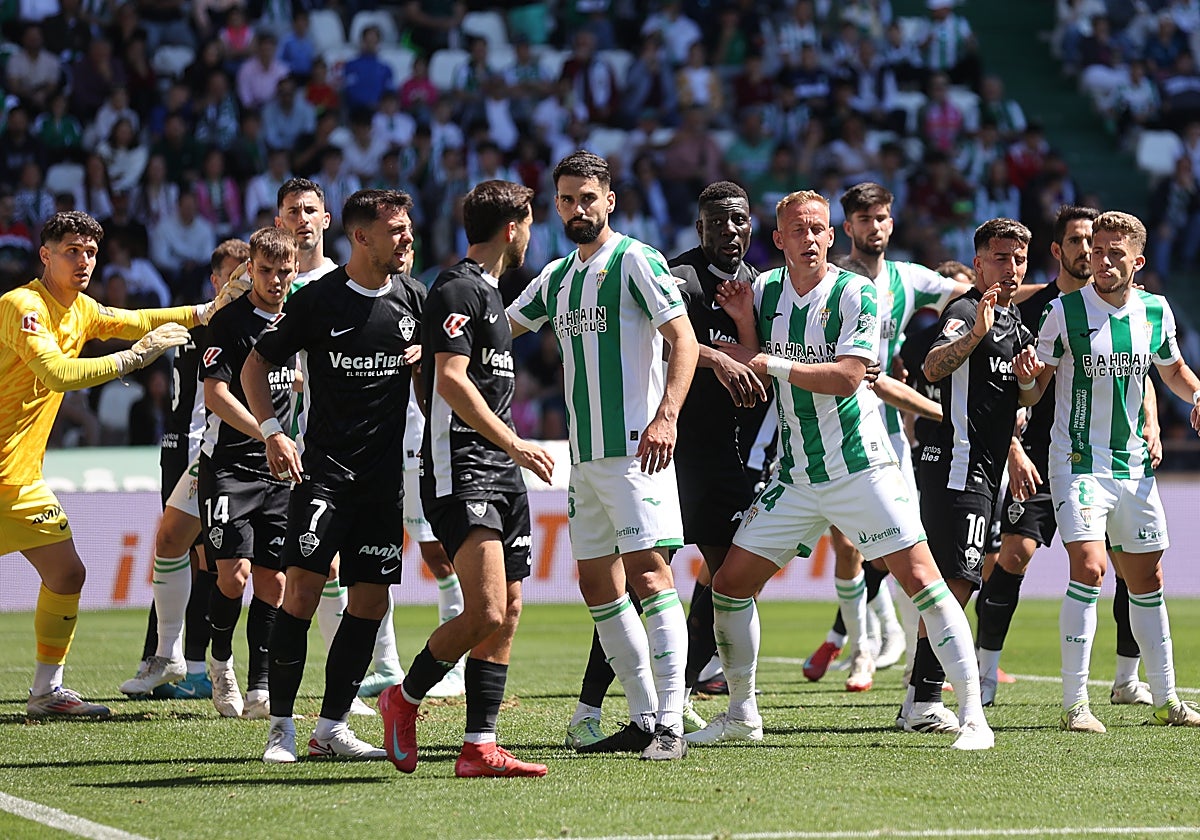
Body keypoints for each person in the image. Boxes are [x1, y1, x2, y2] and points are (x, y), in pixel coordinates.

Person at [686, 190, 993, 750]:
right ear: (778, 240)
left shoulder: (857, 291)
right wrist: (740, 324)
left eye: (817, 230)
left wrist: (771, 361)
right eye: (796, 231)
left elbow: (851, 376)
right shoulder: (763, 289)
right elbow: (756, 366)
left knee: (923, 580)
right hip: (795, 476)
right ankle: (741, 714)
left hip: (860, 468)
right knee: (729, 586)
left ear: (831, 236)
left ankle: (974, 716)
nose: (808, 238)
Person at [0, 210, 234, 717]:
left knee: (67, 574)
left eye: (90, 252)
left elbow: (136, 321)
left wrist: (207, 310)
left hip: (19, 482)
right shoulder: (22, 306)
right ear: (45, 255)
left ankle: (45, 692)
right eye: (71, 252)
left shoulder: (81, 309)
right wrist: (134, 358)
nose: (83, 261)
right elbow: (58, 373)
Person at [562, 180, 769, 749]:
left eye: (739, 220)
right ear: (699, 227)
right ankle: (594, 706)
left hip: (731, 458)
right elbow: (668, 338)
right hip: (669, 453)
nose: (730, 230)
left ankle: (724, 704)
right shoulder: (675, 275)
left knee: (730, 581)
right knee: (638, 581)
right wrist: (716, 358)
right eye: (718, 221)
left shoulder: (758, 285)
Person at [509, 151, 700, 761]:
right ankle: (644, 717)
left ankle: (671, 721)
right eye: (566, 200)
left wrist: (666, 415)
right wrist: (427, 337)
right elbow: (501, 325)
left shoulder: (637, 260)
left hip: (635, 449)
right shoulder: (559, 276)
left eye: (587, 198)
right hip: (583, 458)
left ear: (609, 200)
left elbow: (684, 341)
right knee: (596, 583)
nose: (577, 209)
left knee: (649, 575)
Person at [379, 180, 552, 778]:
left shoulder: (493, 299)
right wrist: (511, 441)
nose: (531, 233)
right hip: (467, 469)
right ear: (513, 227)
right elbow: (449, 378)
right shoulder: (456, 286)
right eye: (529, 222)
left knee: (507, 608)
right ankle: (402, 698)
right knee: (481, 611)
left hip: (501, 471)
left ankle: (480, 745)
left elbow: (430, 379)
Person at [246, 190, 423, 763]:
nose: (406, 237)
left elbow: (431, 392)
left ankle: (332, 727)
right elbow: (256, 363)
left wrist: (423, 372)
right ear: (360, 236)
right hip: (324, 474)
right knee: (300, 594)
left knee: (369, 603)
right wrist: (272, 429)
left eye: (407, 226)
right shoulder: (319, 300)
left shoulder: (413, 299)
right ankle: (281, 729)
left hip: (381, 483)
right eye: (394, 229)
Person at [1016, 210, 1200, 731]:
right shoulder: (1063, 312)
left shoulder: (1156, 311)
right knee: (1091, 569)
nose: (1102, 259)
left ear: (1137, 261)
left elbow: (1174, 373)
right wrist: (1027, 380)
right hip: (1077, 463)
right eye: (1097, 250)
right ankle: (1076, 704)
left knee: (1148, 578)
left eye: (1115, 252)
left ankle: (1167, 699)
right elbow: (1034, 391)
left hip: (1135, 467)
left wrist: (1198, 393)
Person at [975, 206, 1155, 707]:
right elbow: (1005, 389)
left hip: (1106, 459)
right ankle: (986, 672)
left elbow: (1138, 369)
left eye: (1096, 244)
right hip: (1039, 453)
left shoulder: (1132, 307)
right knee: (1013, 555)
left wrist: (1151, 422)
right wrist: (1012, 447)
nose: (1088, 252)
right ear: (1060, 250)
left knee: (1125, 566)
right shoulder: (1036, 310)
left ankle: (1127, 679)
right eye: (1079, 242)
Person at [802, 182, 968, 692]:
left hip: (888, 428)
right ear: (846, 227)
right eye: (865, 219)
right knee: (848, 544)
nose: (876, 227)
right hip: (826, 420)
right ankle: (864, 648)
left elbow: (970, 293)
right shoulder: (825, 278)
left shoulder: (907, 279)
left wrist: (1055, 291)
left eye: (883, 218)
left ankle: (881, 642)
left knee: (892, 545)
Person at [908, 218, 1037, 732]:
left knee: (955, 582)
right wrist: (975, 334)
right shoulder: (966, 311)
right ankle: (923, 701)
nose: (1010, 268)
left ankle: (920, 700)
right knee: (957, 582)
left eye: (1018, 259)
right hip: (956, 466)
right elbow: (934, 367)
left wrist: (1030, 385)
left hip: (984, 469)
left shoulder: (1015, 322)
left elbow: (1018, 398)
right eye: (1000, 258)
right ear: (978, 262)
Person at [120, 238, 250, 699]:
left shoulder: (222, 322)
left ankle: (193, 663)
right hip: (188, 449)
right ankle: (182, 661)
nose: (245, 283)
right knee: (185, 554)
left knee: (204, 561)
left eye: (248, 275)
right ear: (216, 280)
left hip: (205, 449)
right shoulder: (208, 322)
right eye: (237, 275)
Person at [197, 228, 298, 722]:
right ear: (250, 270)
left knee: (272, 582)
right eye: (266, 271)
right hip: (229, 467)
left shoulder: (299, 319)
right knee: (233, 576)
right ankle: (220, 662)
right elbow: (215, 394)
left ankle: (259, 685)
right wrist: (268, 431)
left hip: (280, 470)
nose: (276, 281)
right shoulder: (228, 322)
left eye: (284, 271)